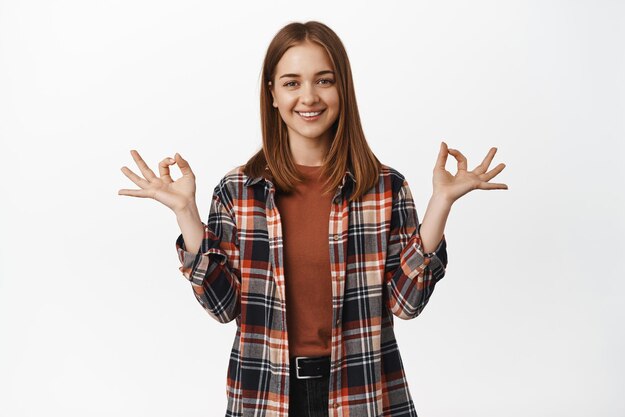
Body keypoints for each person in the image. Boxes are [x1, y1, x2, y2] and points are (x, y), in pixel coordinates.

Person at [118, 20, 507, 417]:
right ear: (271, 93)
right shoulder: (239, 190)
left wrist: (441, 202)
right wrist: (186, 213)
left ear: (343, 88)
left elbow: (405, 305)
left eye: (324, 80)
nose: (309, 97)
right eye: (291, 83)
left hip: (363, 393)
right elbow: (223, 308)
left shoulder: (384, 187)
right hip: (266, 395)